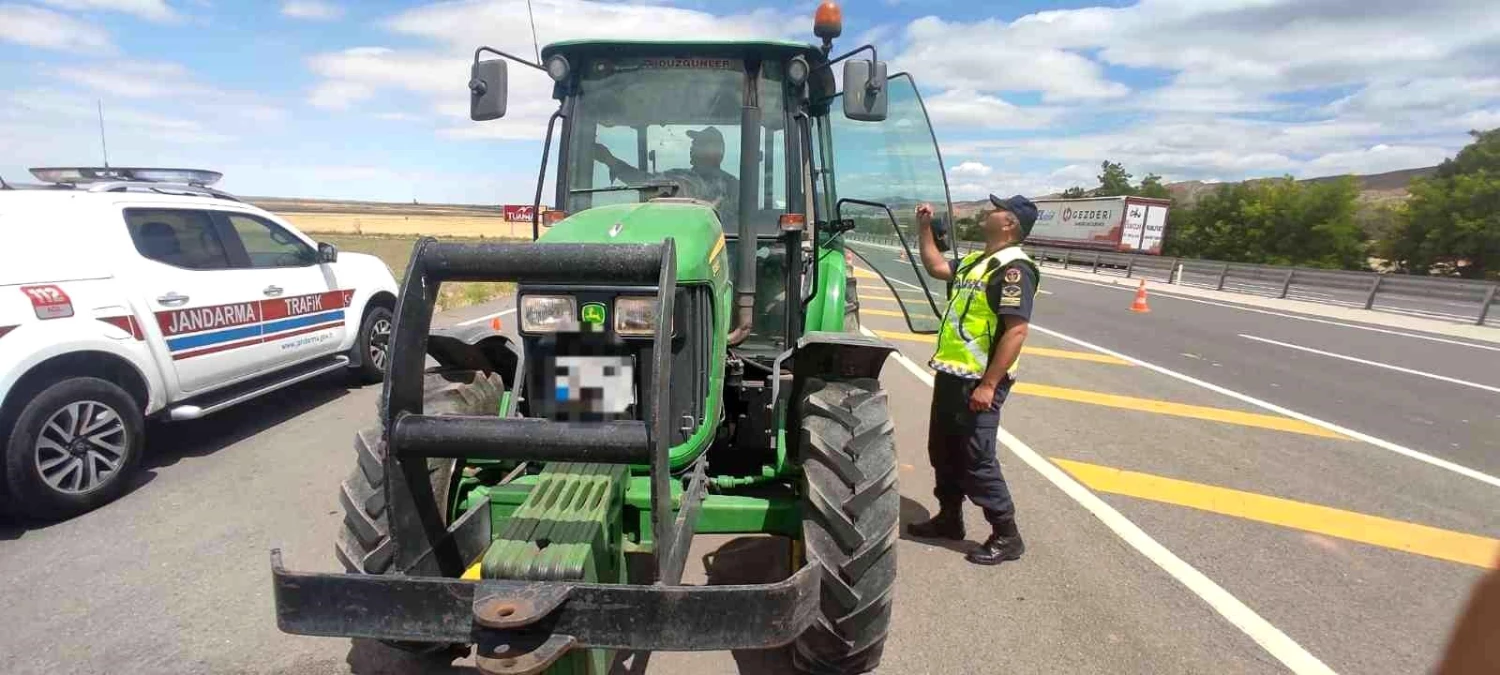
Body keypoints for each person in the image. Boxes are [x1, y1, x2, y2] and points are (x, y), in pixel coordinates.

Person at [906, 194, 1040, 566]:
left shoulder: (1014, 269)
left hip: (979, 382)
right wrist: (924, 229)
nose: (989, 211)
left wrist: (989, 384)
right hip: (953, 373)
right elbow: (935, 266)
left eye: (997, 209)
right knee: (943, 451)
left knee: (977, 459)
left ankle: (1006, 535)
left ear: (1010, 223)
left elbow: (1016, 331)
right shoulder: (976, 262)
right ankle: (950, 519)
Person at [593, 127, 740, 220]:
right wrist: (610, 160)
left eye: (697, 144)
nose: (691, 148)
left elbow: (733, 224)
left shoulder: (731, 187)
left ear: (713, 150)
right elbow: (645, 182)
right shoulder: (679, 176)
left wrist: (611, 161)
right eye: (693, 144)